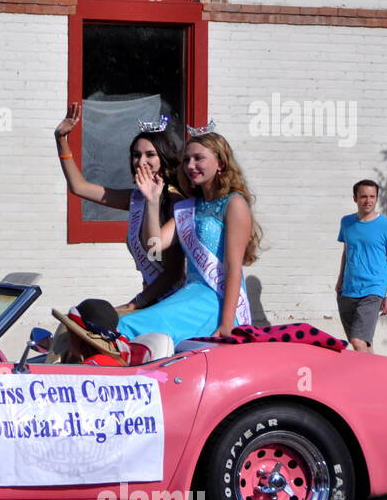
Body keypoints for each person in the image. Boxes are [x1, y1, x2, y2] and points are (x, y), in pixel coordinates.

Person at [116, 128, 261, 344]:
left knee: (129, 326)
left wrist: (228, 322)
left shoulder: (234, 204)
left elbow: (232, 267)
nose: (190, 165)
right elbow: (154, 247)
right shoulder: (188, 208)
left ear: (220, 163)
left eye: (198, 158)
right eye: (186, 160)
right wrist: (152, 202)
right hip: (189, 296)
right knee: (127, 324)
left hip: (216, 302)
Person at [53, 104, 183, 313]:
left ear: (164, 157)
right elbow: (79, 187)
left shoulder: (175, 200)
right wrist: (61, 140)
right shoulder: (136, 198)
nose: (142, 161)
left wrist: (133, 305)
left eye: (150, 155)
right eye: (136, 155)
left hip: (169, 302)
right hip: (148, 298)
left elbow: (173, 273)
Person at [335, 179, 387, 353]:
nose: (368, 200)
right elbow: (347, 251)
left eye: (372, 196)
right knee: (363, 344)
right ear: (355, 198)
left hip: (373, 289)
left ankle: (365, 380)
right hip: (348, 290)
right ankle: (376, 378)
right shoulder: (347, 223)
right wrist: (340, 279)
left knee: (358, 341)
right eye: (363, 196)